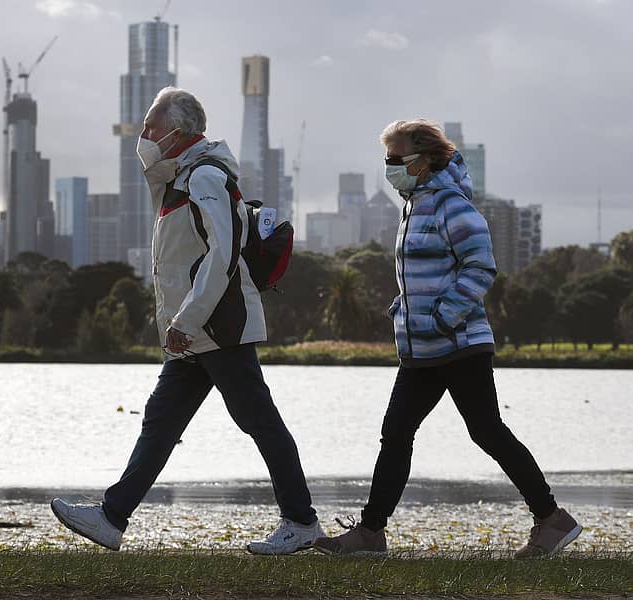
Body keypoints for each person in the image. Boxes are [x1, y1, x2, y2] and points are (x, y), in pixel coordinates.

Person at [50, 87, 324, 554]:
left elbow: (224, 254)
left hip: (216, 328)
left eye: (151, 127)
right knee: (161, 420)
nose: (144, 135)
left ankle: (301, 522)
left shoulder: (204, 178)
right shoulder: (180, 177)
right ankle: (112, 518)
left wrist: (188, 319)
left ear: (178, 134)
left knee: (259, 421)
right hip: (194, 334)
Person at [313, 120, 581, 559]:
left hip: (458, 344)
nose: (390, 167)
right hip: (421, 348)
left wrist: (441, 315)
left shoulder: (451, 205)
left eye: (395, 159)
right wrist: (404, 310)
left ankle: (552, 519)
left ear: (423, 160)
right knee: (395, 434)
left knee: (487, 431)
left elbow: (481, 267)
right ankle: (371, 533)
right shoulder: (413, 205)